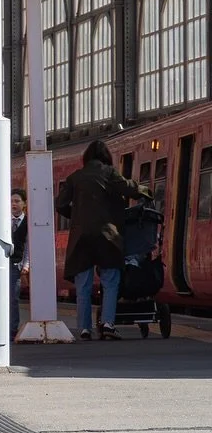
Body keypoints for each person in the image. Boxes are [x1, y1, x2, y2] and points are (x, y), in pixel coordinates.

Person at [56, 140, 136, 340]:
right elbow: (127, 188)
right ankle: (108, 324)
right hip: (108, 236)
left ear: (86, 158)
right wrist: (144, 190)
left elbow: (60, 204)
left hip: (81, 238)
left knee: (83, 284)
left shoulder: (75, 177)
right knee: (110, 281)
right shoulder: (110, 173)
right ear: (106, 157)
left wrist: (76, 216)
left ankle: (84, 328)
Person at [9, 190, 28, 340]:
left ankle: (12, 328)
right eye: (11, 201)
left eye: (17, 201)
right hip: (4, 262)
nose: (13, 204)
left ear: (24, 204)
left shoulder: (28, 223)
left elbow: (29, 245)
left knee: (13, 297)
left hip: (17, 263)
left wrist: (26, 264)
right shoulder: (3, 220)